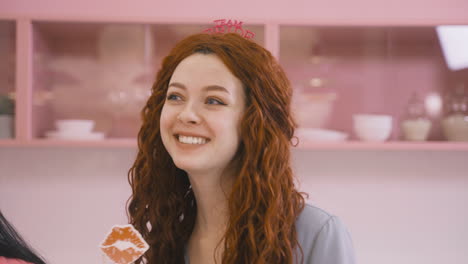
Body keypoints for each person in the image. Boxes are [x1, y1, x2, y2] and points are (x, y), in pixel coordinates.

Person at [127, 31, 356, 264]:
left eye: (213, 101)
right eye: (175, 96)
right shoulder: (167, 236)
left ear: (254, 122)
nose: (187, 114)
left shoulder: (317, 234)